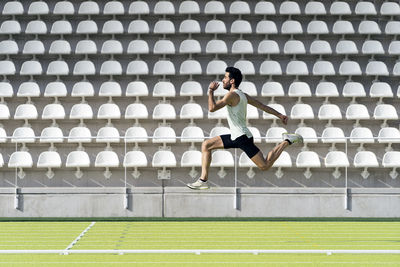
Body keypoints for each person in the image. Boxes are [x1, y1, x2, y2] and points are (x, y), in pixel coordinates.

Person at [187, 67, 303, 190]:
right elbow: (262, 106)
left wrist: (210, 90)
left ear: (232, 81)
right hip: (236, 136)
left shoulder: (231, 95)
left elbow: (212, 108)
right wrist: (279, 115)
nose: (223, 80)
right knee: (206, 145)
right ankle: (203, 180)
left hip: (242, 138)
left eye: (225, 77)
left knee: (264, 165)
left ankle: (287, 141)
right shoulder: (243, 95)